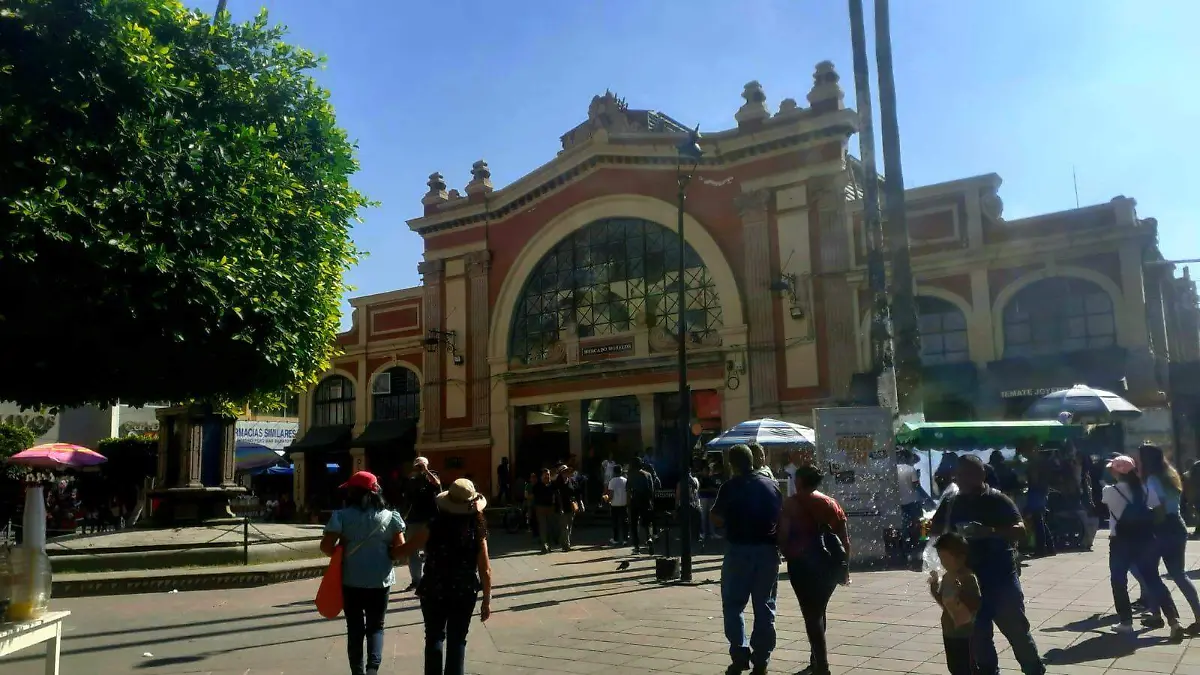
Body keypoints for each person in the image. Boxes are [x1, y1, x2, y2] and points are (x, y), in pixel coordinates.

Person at [930, 455, 1044, 675]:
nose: (959, 479)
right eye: (958, 474)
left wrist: (989, 531)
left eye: (964, 474)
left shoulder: (997, 499)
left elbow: (1021, 530)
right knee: (979, 637)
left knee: (1017, 631)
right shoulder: (952, 500)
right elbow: (935, 531)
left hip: (1001, 578)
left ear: (980, 475)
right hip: (970, 582)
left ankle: (1034, 671)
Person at [395, 478, 492, 675]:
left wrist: (389, 545)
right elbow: (485, 569)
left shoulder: (433, 525)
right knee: (457, 640)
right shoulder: (476, 528)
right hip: (464, 590)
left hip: (433, 588)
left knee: (434, 638)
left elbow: (405, 550)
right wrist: (486, 601)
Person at [320, 471, 406, 675]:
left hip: (351, 581)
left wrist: (341, 552)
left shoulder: (341, 516)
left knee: (355, 629)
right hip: (380, 582)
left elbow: (325, 546)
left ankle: (357, 671)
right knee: (376, 627)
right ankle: (372, 670)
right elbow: (400, 551)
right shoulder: (391, 516)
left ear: (352, 493)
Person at [710, 443, 783, 675]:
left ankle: (740, 655)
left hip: (739, 551)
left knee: (733, 605)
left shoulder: (730, 487)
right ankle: (761, 659)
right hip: (768, 552)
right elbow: (782, 517)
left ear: (731, 464)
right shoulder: (771, 485)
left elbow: (717, 518)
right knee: (764, 606)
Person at [1102, 454, 1184, 639]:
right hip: (1146, 540)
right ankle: (1174, 621)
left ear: (1117, 471)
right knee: (1154, 579)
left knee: (1119, 581)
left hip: (1120, 541)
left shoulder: (1109, 491)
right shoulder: (1146, 489)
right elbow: (1159, 512)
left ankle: (1126, 622)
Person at [778, 464, 848, 675]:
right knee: (819, 611)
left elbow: (782, 535)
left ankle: (822, 666)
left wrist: (786, 552)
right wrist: (845, 569)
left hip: (801, 566)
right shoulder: (831, 503)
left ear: (799, 481)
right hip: (829, 565)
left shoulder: (791, 504)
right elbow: (844, 540)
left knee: (812, 614)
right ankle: (816, 661)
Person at [1138, 444, 1200, 633]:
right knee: (1179, 574)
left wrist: (1151, 527)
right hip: (1178, 525)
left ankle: (1163, 617)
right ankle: (1198, 617)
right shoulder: (1171, 474)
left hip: (1162, 527)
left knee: (1149, 572)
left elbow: (1159, 511)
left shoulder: (1152, 480)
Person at [929, 533, 982, 675]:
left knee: (967, 667)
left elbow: (975, 603)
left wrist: (961, 592)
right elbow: (945, 604)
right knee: (954, 667)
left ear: (961, 558)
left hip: (966, 633)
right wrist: (934, 589)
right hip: (949, 631)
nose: (942, 563)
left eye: (946, 558)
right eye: (941, 558)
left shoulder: (968, 578)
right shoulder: (947, 577)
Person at [402, 457, 441, 592]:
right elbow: (407, 499)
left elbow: (437, 484)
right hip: (414, 519)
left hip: (430, 519)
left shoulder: (433, 475)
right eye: (417, 466)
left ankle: (432, 578)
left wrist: (426, 471)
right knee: (412, 551)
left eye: (421, 465)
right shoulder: (412, 481)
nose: (419, 468)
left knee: (431, 550)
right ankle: (416, 580)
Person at [627, 457, 659, 554]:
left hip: (634, 500)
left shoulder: (631, 475)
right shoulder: (648, 474)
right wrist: (651, 501)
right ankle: (649, 538)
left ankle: (636, 547)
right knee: (647, 522)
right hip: (646, 500)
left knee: (634, 523)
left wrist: (628, 504)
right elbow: (652, 490)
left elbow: (628, 491)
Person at [896, 450, 922, 547]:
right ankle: (915, 543)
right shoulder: (911, 469)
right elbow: (916, 486)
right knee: (915, 522)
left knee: (902, 524)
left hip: (899, 502)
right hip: (912, 501)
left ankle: (902, 543)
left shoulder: (893, 469)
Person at [553, 465, 580, 551]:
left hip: (571, 506)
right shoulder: (557, 483)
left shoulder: (572, 481)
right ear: (561, 473)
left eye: (568, 471)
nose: (567, 473)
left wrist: (580, 502)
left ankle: (561, 540)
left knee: (569, 526)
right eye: (564, 471)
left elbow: (576, 492)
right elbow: (556, 496)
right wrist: (559, 508)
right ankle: (566, 545)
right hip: (561, 507)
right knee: (565, 527)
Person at [530, 468, 556, 554]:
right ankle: (544, 545)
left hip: (550, 508)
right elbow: (533, 498)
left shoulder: (552, 485)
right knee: (543, 527)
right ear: (541, 477)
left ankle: (549, 545)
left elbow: (555, 496)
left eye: (548, 474)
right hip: (540, 508)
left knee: (550, 527)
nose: (547, 476)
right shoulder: (537, 486)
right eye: (545, 475)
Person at [676, 465, 701, 544]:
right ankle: (696, 539)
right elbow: (696, 493)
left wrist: (675, 508)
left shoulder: (681, 483)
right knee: (695, 525)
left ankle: (687, 540)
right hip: (696, 505)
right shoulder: (696, 480)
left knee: (686, 525)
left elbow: (678, 497)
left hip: (685, 506)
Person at [698, 463, 723, 540]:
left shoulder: (711, 478)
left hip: (711, 497)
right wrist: (710, 489)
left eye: (708, 470)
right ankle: (703, 533)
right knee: (703, 516)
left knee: (711, 516)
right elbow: (699, 489)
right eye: (705, 470)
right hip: (704, 498)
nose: (707, 472)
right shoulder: (699, 478)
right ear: (702, 471)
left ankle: (712, 533)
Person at [606, 465, 629, 545]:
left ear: (614, 472)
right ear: (621, 471)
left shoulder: (612, 481)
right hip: (624, 504)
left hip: (614, 504)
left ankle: (616, 539)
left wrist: (608, 500)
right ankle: (625, 539)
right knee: (624, 522)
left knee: (615, 522)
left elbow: (611, 494)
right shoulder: (625, 480)